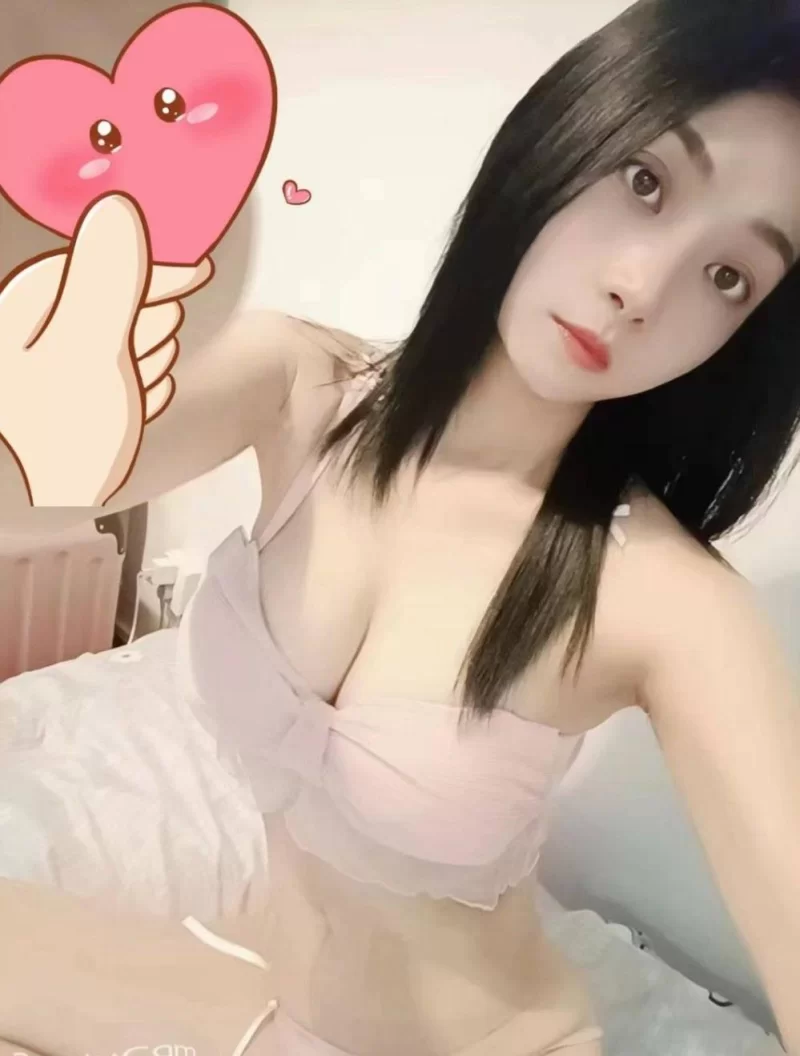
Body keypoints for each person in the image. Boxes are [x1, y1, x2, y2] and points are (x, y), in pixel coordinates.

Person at [3, 0, 800, 1053]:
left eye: (728, 277)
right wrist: (37, 409)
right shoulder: (299, 385)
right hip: (254, 994)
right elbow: (57, 478)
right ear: (564, 130)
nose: (639, 288)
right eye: (645, 181)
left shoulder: (666, 601)